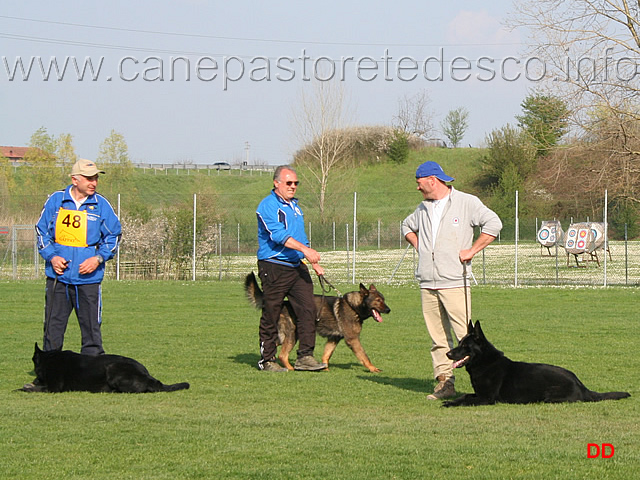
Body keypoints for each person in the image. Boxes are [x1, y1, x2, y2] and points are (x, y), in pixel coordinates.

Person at [401, 161, 502, 400]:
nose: (417, 188)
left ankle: (487, 381)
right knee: (437, 338)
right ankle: (445, 383)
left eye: (419, 183)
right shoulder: (422, 208)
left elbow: (494, 224)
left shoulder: (467, 202)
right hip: (427, 282)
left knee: (466, 337)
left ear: (432, 180)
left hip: (455, 281)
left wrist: (471, 250)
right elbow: (406, 226)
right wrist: (422, 248)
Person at [35, 158, 122, 356]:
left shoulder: (102, 205)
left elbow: (114, 235)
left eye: (96, 178)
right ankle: (49, 376)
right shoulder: (56, 201)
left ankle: (92, 376)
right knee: (52, 328)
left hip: (88, 279)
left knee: (91, 330)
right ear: (75, 180)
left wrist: (98, 259)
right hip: (59, 278)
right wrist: (52, 257)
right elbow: (41, 232)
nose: (94, 183)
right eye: (89, 178)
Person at [255, 165, 327, 372]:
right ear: (276, 183)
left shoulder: (295, 207)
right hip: (274, 266)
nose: (293, 187)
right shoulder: (268, 206)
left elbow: (300, 237)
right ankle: (267, 360)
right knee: (272, 312)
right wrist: (306, 250)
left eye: (296, 183)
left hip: (296, 266)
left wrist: (313, 262)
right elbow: (277, 235)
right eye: (289, 183)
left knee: (308, 309)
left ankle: (305, 357)